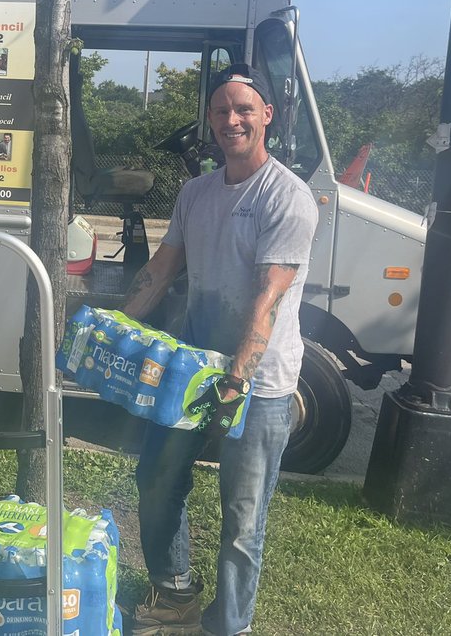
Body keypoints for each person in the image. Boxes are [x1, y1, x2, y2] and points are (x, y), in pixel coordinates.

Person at [121, 63, 318, 636]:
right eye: (222, 110)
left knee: (242, 516)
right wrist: (114, 327)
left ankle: (230, 625)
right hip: (192, 373)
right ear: (210, 120)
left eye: (243, 109)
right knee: (157, 480)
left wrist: (237, 378)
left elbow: (267, 297)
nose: (232, 119)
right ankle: (176, 596)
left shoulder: (288, 196)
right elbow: (161, 269)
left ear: (267, 116)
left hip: (260, 384)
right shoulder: (196, 193)